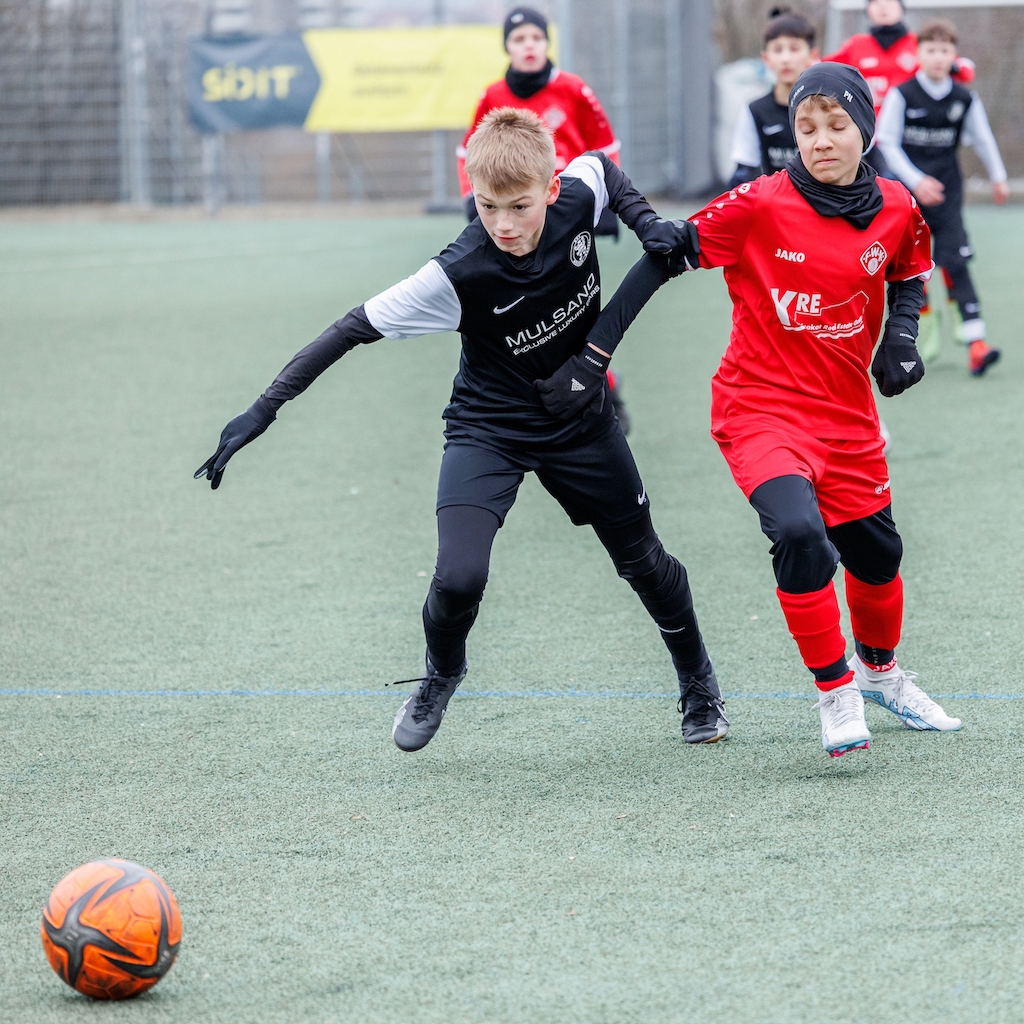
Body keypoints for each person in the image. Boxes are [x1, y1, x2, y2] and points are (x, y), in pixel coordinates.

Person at [196, 108, 729, 753]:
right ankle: (442, 673)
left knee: (645, 562)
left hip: (580, 425)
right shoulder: (458, 269)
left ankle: (698, 684)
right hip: (488, 427)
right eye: (487, 206)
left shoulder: (578, 195)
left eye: (518, 206)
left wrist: (645, 224)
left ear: (551, 190)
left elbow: (606, 171)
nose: (502, 224)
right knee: (458, 577)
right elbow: (350, 328)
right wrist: (263, 408)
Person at [681, 63, 962, 757]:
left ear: (864, 130)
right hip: (759, 408)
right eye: (806, 128)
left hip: (846, 415)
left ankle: (882, 676)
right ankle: (835, 691)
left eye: (836, 125)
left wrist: (899, 341)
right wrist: (595, 355)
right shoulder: (759, 204)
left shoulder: (896, 205)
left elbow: (908, 268)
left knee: (878, 554)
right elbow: (669, 251)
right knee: (802, 535)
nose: (820, 139)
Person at [457, 6, 633, 432]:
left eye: (536, 37)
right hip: (518, 221)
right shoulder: (493, 96)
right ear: (508, 48)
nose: (529, 46)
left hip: (567, 214)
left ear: (547, 43)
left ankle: (603, 384)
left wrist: (606, 204)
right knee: (526, 319)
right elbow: (469, 152)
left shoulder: (573, 89)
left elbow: (604, 147)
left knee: (573, 319)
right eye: (519, 40)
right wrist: (472, 198)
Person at [877, 18, 1006, 374]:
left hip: (948, 193)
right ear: (918, 53)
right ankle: (917, 334)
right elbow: (885, 141)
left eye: (944, 50)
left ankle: (976, 343)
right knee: (908, 270)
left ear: (953, 55)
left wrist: (998, 177)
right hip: (908, 197)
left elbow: (982, 138)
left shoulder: (964, 98)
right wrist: (916, 181)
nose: (937, 56)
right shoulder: (902, 94)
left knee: (957, 261)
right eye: (930, 49)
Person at [825, 0, 974, 175]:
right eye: (875, 2)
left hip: (908, 139)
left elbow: (966, 71)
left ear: (901, 7)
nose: (883, 6)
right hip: (868, 137)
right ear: (868, 10)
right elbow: (822, 69)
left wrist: (955, 68)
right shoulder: (857, 45)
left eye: (889, 1)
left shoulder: (917, 45)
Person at [729, 7, 819, 187]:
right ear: (766, 58)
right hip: (775, 208)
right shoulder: (755, 111)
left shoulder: (831, 106)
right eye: (777, 50)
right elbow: (744, 171)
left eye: (794, 49)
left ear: (813, 55)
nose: (785, 58)